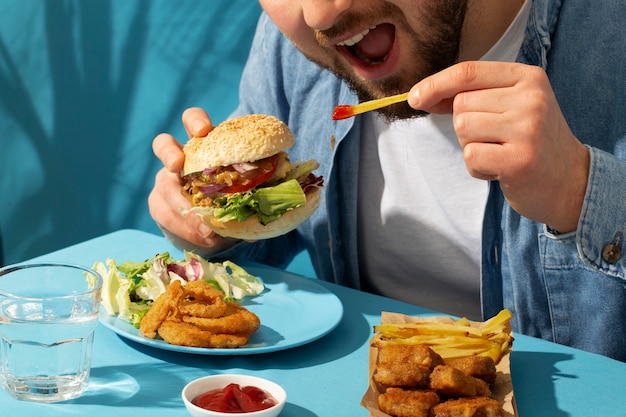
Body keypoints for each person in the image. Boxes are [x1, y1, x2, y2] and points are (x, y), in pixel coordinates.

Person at [148, 0, 626, 361]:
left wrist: (581, 193)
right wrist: (205, 222)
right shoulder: (296, 49)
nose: (318, 14)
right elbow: (261, 243)